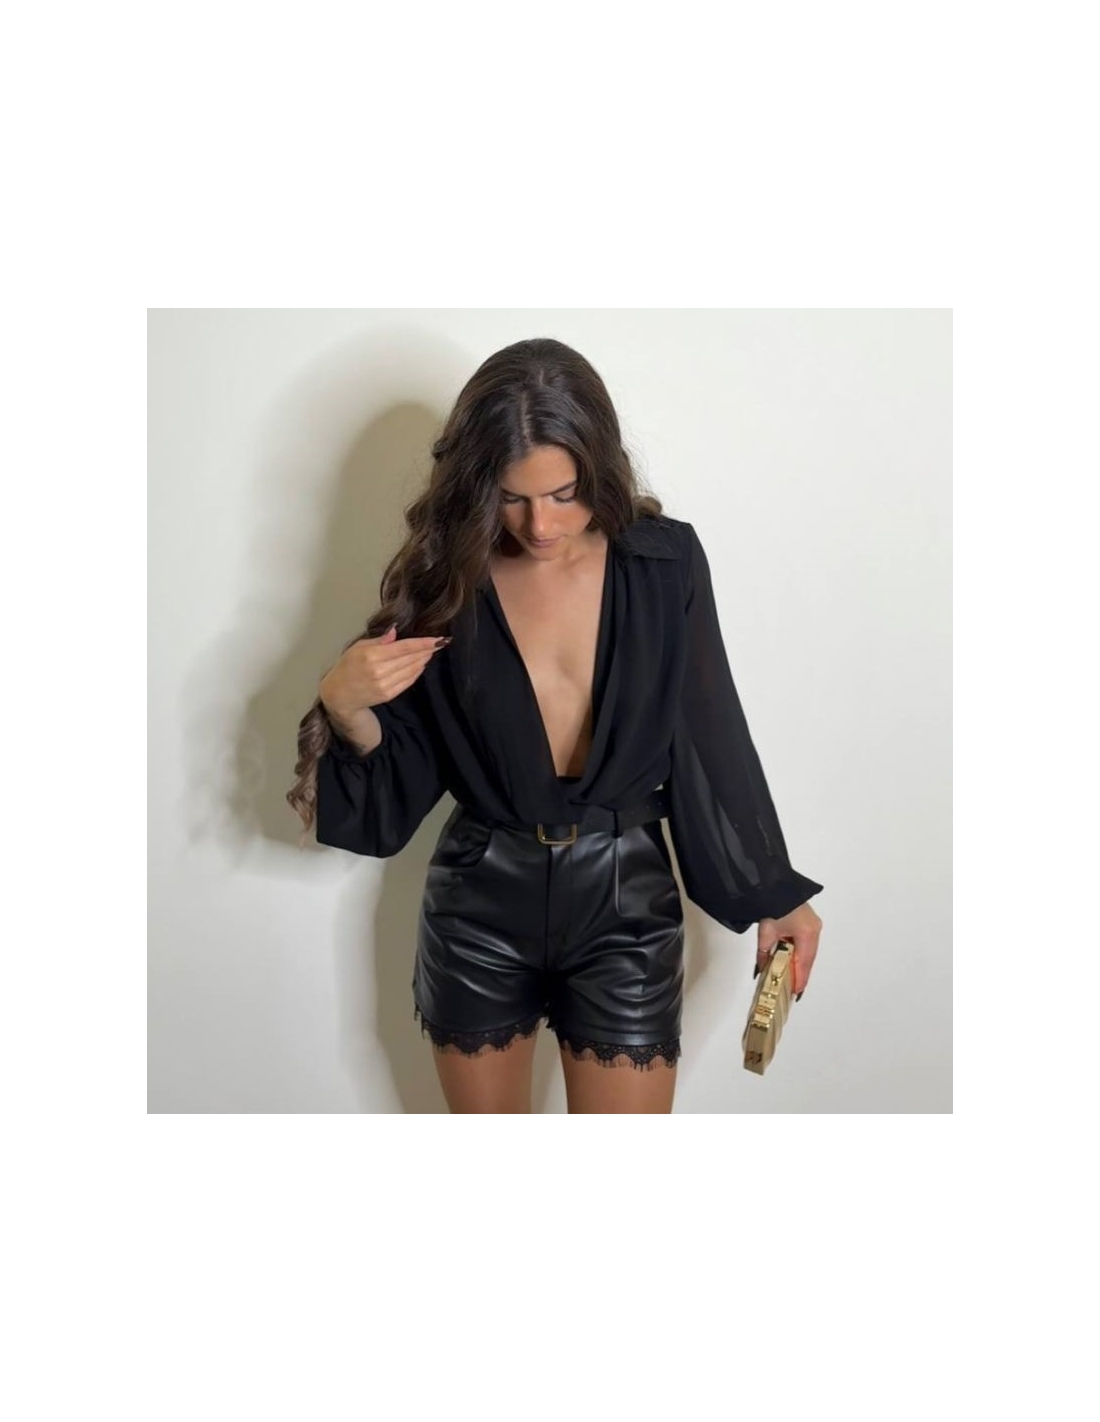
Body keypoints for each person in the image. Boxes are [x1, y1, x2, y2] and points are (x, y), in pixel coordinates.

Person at [287, 337, 824, 1114]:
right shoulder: (452, 579)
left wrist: (773, 890)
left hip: (627, 902)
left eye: (564, 494)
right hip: (478, 903)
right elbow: (401, 781)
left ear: (597, 467)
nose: (539, 524)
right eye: (513, 498)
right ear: (480, 485)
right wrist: (344, 704)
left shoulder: (663, 563)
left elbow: (710, 734)